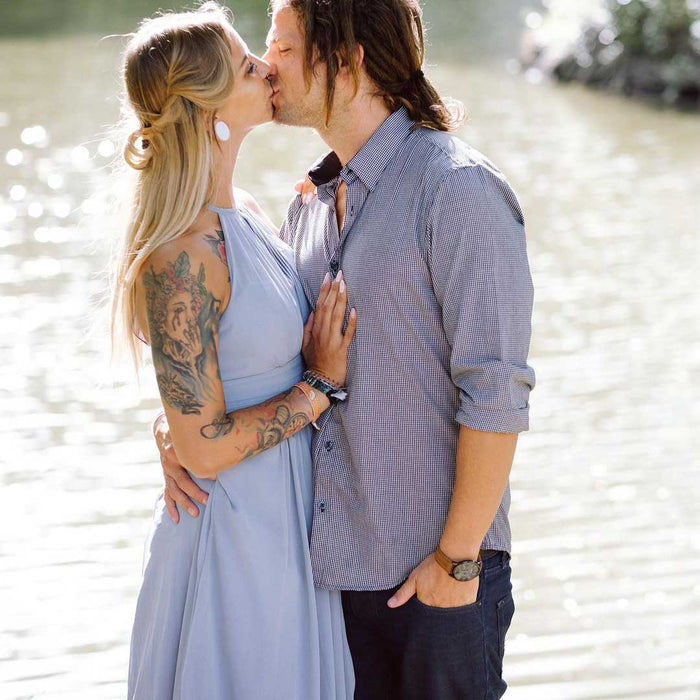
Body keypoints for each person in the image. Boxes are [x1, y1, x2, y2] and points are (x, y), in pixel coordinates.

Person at [157, 0, 536, 698]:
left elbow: (497, 392)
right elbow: (253, 349)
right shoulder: (305, 207)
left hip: (436, 584)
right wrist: (178, 427)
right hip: (329, 585)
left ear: (349, 59)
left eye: (285, 49)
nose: (269, 66)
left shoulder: (456, 189)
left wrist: (455, 563)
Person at [111, 3, 357, 699]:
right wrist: (318, 389)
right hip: (231, 532)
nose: (267, 69)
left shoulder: (244, 213)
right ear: (208, 110)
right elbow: (204, 447)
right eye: (248, 66)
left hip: (287, 520)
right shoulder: (181, 255)